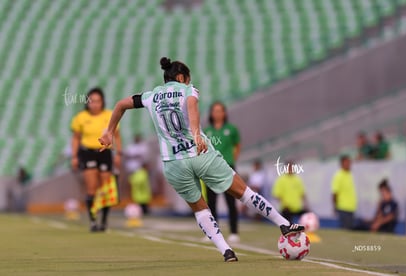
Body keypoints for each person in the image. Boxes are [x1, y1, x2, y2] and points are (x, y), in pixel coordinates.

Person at [98, 57, 304, 262]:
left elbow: (120, 104)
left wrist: (109, 131)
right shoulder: (187, 90)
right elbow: (192, 106)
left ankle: (226, 250)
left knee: (200, 209)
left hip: (173, 163)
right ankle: (283, 224)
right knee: (243, 192)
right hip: (200, 155)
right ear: (181, 77)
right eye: (187, 79)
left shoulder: (151, 96)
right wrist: (196, 134)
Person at [71, 87, 122, 232]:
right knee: (91, 188)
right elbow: (75, 138)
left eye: (98, 101)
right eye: (92, 101)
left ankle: (104, 221)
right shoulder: (81, 117)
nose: (94, 104)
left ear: (102, 102)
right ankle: (93, 220)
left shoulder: (109, 115)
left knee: (105, 188)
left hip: (105, 152)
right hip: (87, 153)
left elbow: (117, 135)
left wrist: (119, 154)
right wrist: (74, 156)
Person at [203, 101, 241, 242]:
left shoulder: (231, 129)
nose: (217, 113)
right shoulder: (207, 131)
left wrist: (232, 159)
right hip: (210, 169)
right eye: (215, 111)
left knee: (231, 201)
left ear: (224, 113)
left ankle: (234, 232)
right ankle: (213, 232)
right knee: (211, 202)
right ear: (211, 113)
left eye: (220, 110)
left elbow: (237, 145)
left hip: (227, 168)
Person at [331, 155, 357, 229]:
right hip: (343, 208)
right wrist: (335, 206)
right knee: (346, 230)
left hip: (351, 207)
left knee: (350, 229)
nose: (349, 164)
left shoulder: (350, 174)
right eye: (347, 162)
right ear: (342, 163)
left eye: (350, 162)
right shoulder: (338, 175)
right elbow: (335, 193)